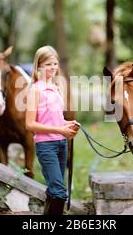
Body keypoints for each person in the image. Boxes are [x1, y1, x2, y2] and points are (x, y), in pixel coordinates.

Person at [25, 45, 79, 215]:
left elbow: (54, 118)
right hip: (46, 146)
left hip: (61, 144)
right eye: (48, 64)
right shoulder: (35, 89)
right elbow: (30, 124)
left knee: (53, 190)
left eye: (55, 64)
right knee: (59, 192)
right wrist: (59, 129)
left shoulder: (56, 88)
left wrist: (67, 124)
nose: (53, 68)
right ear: (39, 66)